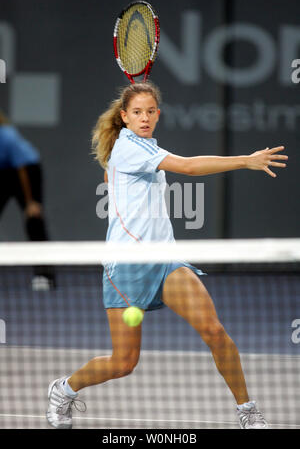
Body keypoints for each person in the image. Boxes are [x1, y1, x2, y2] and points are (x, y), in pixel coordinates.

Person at [46, 82, 288, 429]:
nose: (144, 118)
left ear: (157, 115)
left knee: (215, 332)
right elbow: (188, 167)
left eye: (150, 111)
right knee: (124, 361)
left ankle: (247, 411)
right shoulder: (129, 149)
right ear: (124, 117)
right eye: (137, 112)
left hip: (165, 262)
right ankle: (64, 389)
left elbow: (117, 176)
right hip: (126, 267)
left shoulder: (142, 147)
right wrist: (245, 161)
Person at [0, 109, 55, 291]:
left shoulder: (7, 136)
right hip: (5, 172)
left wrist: (31, 201)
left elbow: (22, 168)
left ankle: (44, 275)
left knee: (34, 220)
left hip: (27, 173)